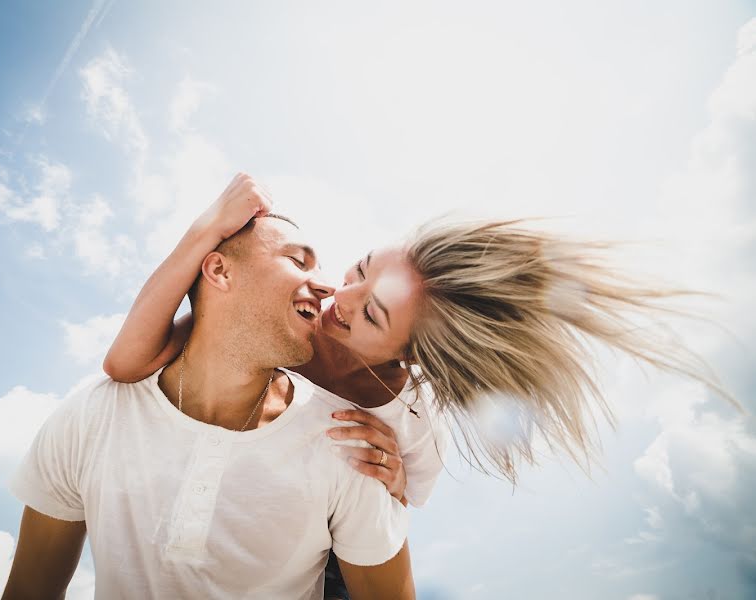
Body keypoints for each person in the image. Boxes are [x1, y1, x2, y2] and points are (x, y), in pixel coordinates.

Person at [104, 173, 736, 598]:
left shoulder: (411, 424)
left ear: (410, 354)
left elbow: (386, 522)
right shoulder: (289, 318)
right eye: (359, 271)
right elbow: (126, 362)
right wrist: (203, 231)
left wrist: (395, 483)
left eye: (372, 313)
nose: (337, 299)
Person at [2, 213, 415, 599]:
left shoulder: (353, 446)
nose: (329, 288)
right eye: (297, 261)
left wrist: (395, 502)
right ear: (219, 271)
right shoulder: (94, 414)